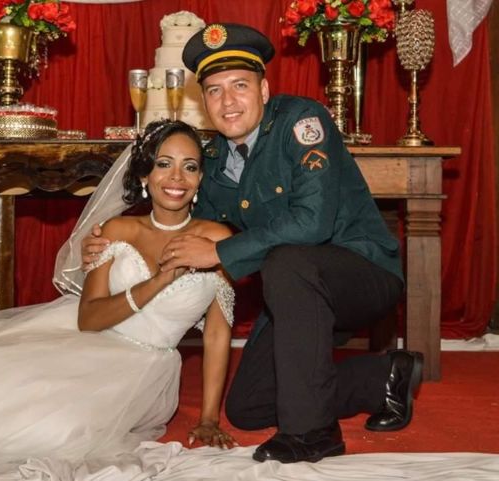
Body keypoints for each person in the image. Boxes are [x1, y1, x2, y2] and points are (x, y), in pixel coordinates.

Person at [82, 23, 424, 464]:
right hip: (297, 295)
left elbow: (313, 223)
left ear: (264, 90)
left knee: (286, 259)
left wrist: (219, 252)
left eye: (240, 86)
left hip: (362, 274)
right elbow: (182, 219)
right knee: (249, 407)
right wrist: (113, 241)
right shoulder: (213, 162)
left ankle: (312, 433)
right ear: (204, 101)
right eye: (215, 90)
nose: (228, 101)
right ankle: (384, 377)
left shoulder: (301, 122)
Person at [0, 120, 236, 477]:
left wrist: (208, 418)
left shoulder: (218, 239)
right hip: (81, 336)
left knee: (55, 429)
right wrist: (159, 280)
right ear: (143, 176)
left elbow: (218, 334)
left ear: (200, 178)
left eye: (189, 167)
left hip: (142, 372)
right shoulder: (116, 230)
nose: (177, 177)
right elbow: (89, 319)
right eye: (164, 164)